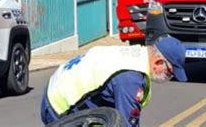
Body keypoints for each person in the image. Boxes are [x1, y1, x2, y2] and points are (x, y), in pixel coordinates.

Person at [40, 36, 187, 127]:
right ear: (158, 62)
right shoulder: (131, 80)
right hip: (59, 108)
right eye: (169, 73)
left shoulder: (135, 54)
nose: (168, 78)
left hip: (57, 88)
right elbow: (126, 123)